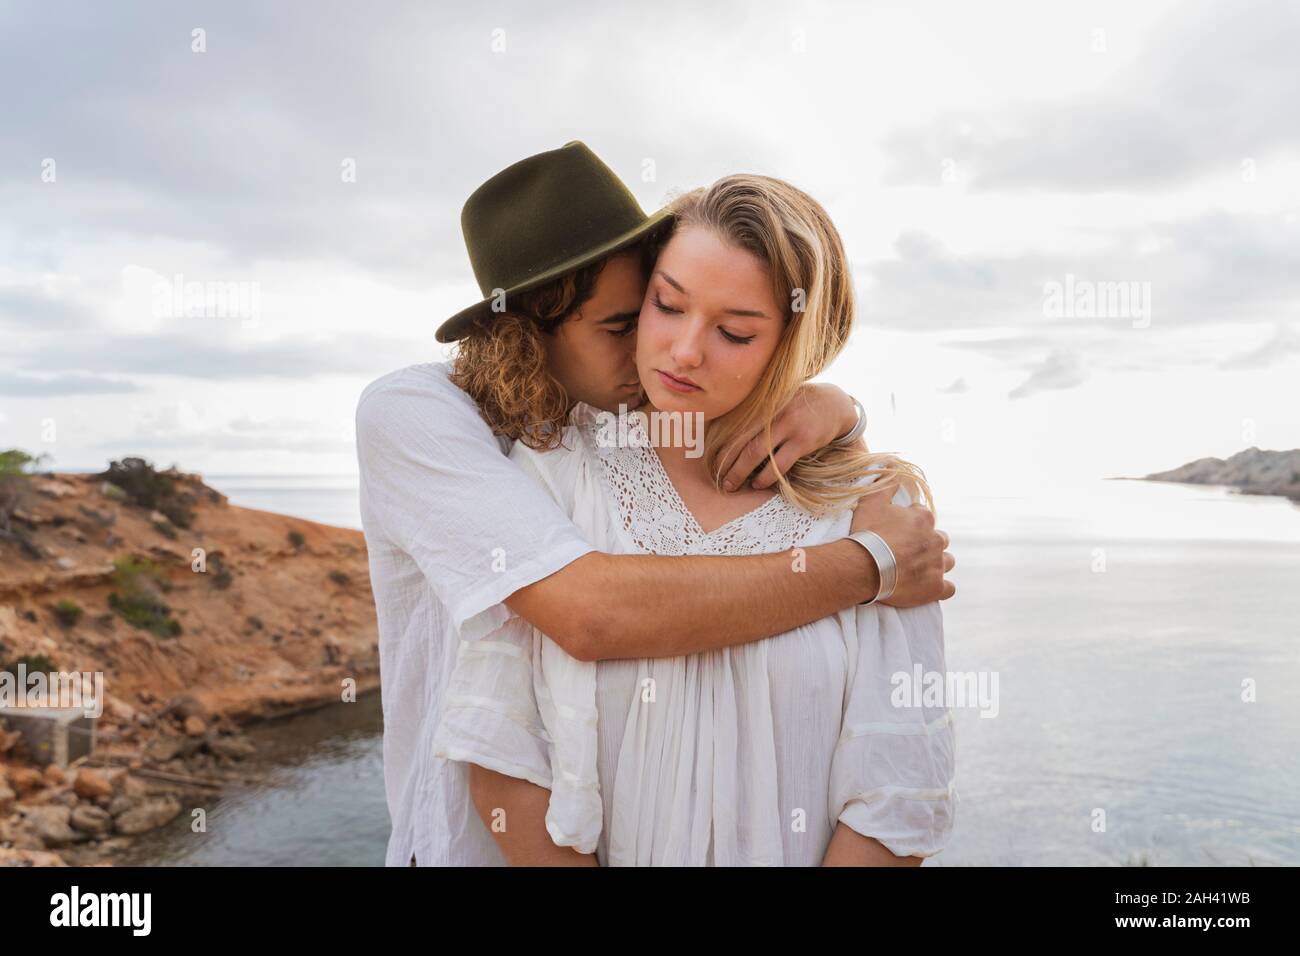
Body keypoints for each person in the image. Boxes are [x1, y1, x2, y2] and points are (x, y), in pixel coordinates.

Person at [355, 142, 955, 866]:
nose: (676, 351)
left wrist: (836, 408)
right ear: (525, 338)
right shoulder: (436, 422)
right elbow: (587, 616)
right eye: (649, 313)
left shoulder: (863, 491)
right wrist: (871, 567)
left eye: (733, 330)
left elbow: (899, 792)